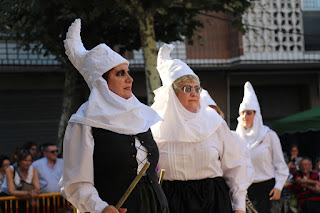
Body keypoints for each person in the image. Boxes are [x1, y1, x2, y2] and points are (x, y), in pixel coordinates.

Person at [59, 19, 169, 213]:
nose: (130, 79)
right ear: (102, 82)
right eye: (120, 74)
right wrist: (101, 208)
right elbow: (75, 183)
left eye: (128, 72)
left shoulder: (140, 116)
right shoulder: (84, 122)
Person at [151, 43, 249, 213]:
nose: (194, 93)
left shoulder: (214, 122)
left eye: (197, 88)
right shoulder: (156, 126)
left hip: (213, 199)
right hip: (173, 201)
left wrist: (239, 205)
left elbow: (235, 166)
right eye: (187, 88)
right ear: (172, 94)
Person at [235, 81, 289, 213]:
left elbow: (280, 165)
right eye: (242, 113)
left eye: (249, 113)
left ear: (256, 115)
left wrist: (278, 187)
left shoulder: (269, 135)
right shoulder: (235, 138)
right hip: (246, 191)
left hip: (268, 190)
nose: (245, 117)